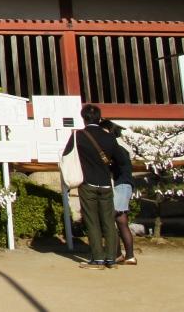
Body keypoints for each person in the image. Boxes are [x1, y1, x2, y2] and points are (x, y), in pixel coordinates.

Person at [64, 104, 131, 269]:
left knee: (92, 221)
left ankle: (98, 259)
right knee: (108, 221)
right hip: (106, 184)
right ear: (99, 118)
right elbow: (122, 160)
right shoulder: (109, 137)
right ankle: (111, 258)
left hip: (87, 183)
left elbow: (66, 155)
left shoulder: (78, 136)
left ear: (83, 118)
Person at [104, 120, 138, 265]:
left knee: (110, 218)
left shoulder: (118, 147)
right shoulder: (123, 145)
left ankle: (118, 254)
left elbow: (119, 166)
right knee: (121, 221)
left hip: (121, 185)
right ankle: (128, 256)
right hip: (123, 185)